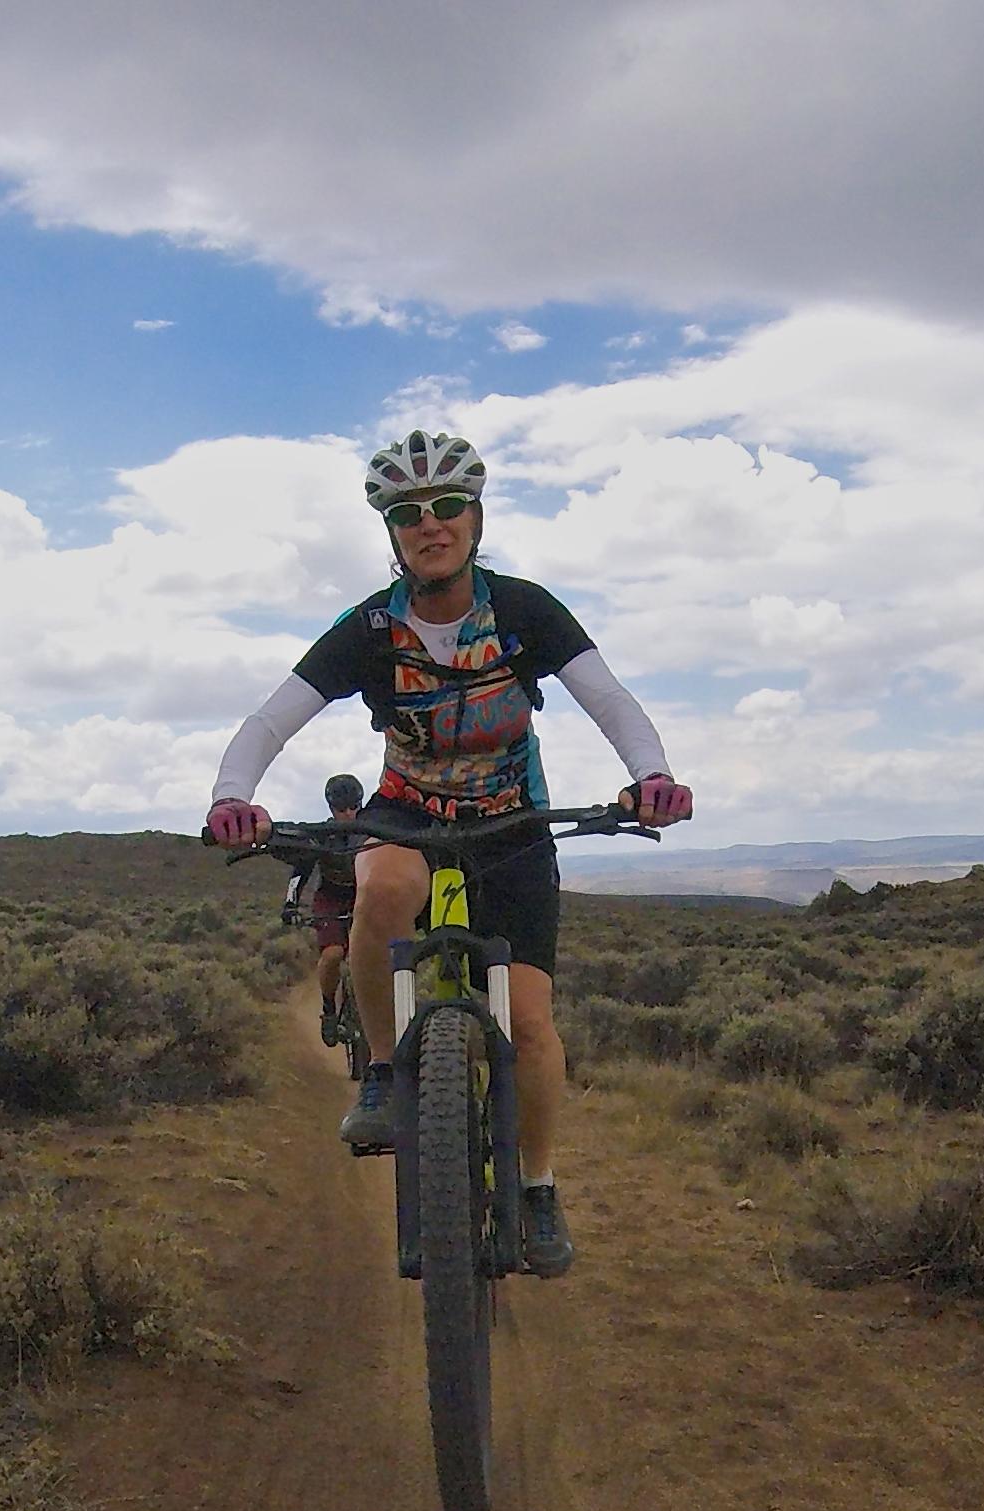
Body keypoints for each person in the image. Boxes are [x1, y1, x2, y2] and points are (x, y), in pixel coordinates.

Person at [206, 429, 691, 1278]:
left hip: (512, 823)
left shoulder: (524, 610)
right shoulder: (367, 630)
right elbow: (269, 720)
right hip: (410, 812)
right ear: (390, 533)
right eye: (408, 514)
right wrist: (231, 795)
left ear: (474, 517)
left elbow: (608, 699)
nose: (430, 525)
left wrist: (649, 775)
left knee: (531, 1024)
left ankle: (536, 1189)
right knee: (382, 882)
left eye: (446, 508)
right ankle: (387, 1075)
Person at [277, 773, 365, 1046]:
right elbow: (301, 871)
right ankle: (329, 1008)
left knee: (376, 956)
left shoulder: (372, 831)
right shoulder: (322, 837)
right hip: (330, 897)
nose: (349, 814)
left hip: (365, 895)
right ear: (331, 809)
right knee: (333, 955)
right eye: (342, 809)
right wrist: (290, 903)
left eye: (354, 807)